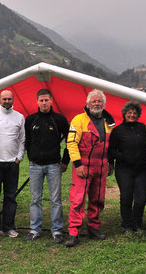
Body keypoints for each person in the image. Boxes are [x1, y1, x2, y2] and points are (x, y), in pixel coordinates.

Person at [65, 89, 115, 247]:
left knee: (98, 198)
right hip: (84, 165)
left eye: (99, 101)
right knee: (78, 200)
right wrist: (78, 164)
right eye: (94, 101)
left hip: (101, 165)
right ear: (88, 103)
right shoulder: (78, 120)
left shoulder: (109, 122)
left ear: (104, 103)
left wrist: (110, 163)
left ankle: (94, 227)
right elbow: (71, 143)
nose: (97, 104)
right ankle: (73, 232)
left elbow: (112, 145)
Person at [24, 89, 70, 244]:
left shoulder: (60, 120)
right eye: (41, 100)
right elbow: (27, 142)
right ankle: (34, 229)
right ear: (37, 102)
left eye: (46, 100)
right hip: (35, 165)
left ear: (51, 101)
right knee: (35, 199)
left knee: (55, 199)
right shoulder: (30, 120)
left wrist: (65, 161)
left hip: (53, 165)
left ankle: (57, 230)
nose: (44, 103)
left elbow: (70, 142)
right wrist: (32, 157)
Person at [0, 90, 25, 240]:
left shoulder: (19, 117)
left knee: (10, 196)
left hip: (12, 163)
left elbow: (22, 140)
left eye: (9, 99)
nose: (7, 101)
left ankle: (8, 227)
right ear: (0, 100)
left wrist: (19, 158)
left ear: (13, 100)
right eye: (4, 99)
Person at [108, 101, 146, 233]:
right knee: (126, 197)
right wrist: (122, 157)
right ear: (124, 114)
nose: (132, 115)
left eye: (134, 113)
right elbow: (111, 150)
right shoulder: (118, 131)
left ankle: (137, 222)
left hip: (141, 169)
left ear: (138, 115)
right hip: (124, 169)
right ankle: (127, 225)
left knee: (141, 198)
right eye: (129, 113)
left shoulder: (143, 128)